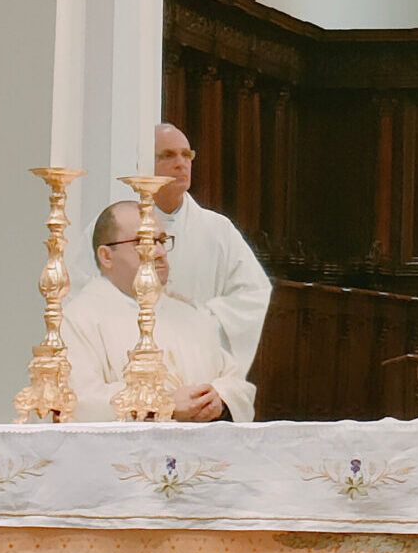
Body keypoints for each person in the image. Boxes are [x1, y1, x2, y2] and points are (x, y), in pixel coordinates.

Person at [68, 123, 272, 376]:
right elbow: (79, 290)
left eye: (186, 155)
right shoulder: (114, 225)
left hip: (193, 357)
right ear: (144, 165)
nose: (181, 164)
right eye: (168, 155)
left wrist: (201, 318)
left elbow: (253, 293)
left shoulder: (218, 230)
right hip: (125, 357)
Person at [62, 201, 255, 422]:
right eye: (144, 242)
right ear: (106, 256)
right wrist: (164, 405)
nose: (160, 252)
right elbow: (80, 401)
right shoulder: (80, 318)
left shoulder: (190, 314)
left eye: (161, 241)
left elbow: (235, 382)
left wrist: (220, 399)